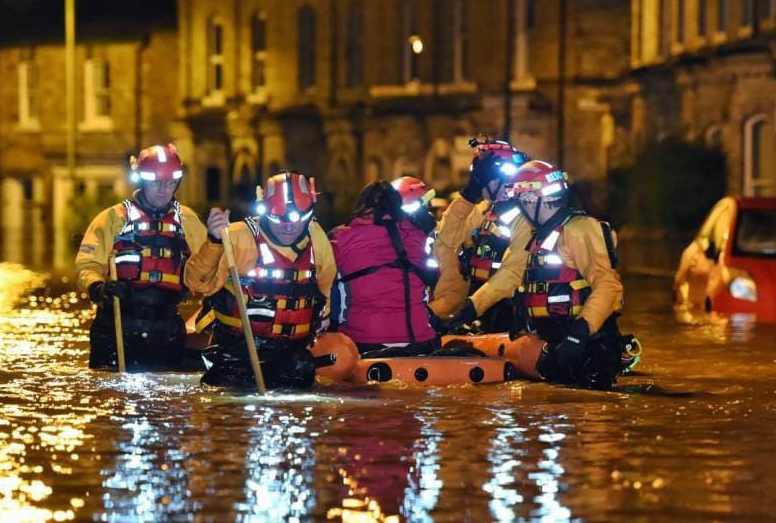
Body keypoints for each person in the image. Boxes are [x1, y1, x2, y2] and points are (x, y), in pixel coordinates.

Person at [185, 171, 336, 389]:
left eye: (297, 220)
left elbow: (325, 290)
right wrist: (215, 241)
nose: (288, 227)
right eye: (278, 219)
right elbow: (196, 283)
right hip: (238, 354)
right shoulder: (237, 236)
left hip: (292, 356)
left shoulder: (317, 239)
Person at [75, 143, 209, 370]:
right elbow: (87, 264)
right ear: (141, 180)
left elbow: (209, 269)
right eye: (156, 183)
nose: (163, 189)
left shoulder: (187, 221)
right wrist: (98, 287)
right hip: (117, 325)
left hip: (166, 327)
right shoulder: (113, 218)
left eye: (169, 183)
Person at [497, 160, 628, 390]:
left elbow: (608, 285)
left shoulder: (578, 230)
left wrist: (579, 333)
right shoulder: (544, 235)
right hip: (556, 343)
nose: (522, 209)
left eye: (523, 201)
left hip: (587, 346)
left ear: (535, 199)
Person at [329, 178, 439, 356]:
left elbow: (324, 285)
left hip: (363, 341)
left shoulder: (340, 238)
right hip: (419, 340)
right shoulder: (417, 236)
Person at [433, 136, 531, 333]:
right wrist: (468, 195)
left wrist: (472, 307)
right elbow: (447, 241)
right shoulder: (484, 209)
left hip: (513, 312)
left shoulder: (528, 214)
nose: (479, 181)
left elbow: (512, 273)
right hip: (481, 307)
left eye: (483, 176)